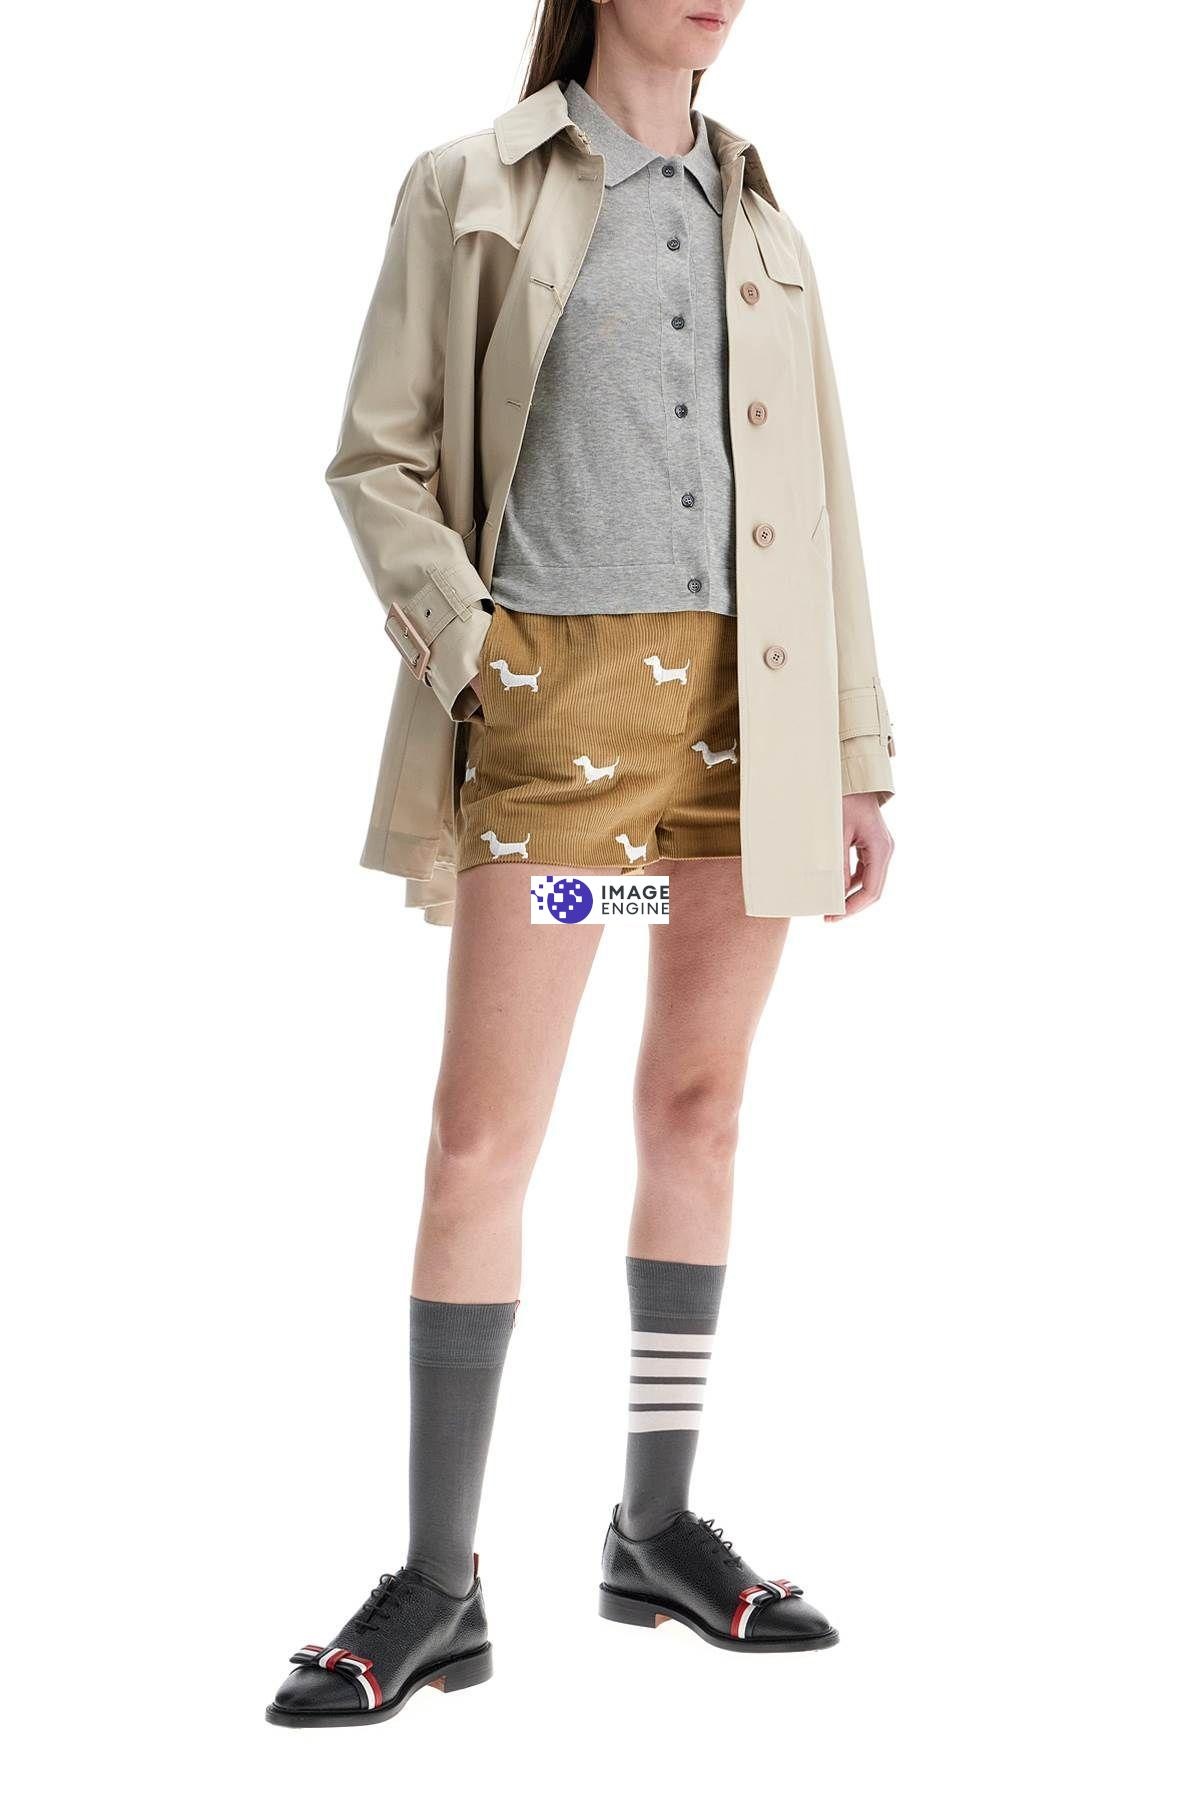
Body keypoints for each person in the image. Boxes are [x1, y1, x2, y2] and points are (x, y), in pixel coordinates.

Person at [266, 0, 896, 1728]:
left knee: (698, 1109)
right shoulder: (473, 185)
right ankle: (438, 1582)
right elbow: (377, 455)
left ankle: (656, 1529)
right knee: (486, 1139)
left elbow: (826, 507)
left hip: (750, 728)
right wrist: (483, 659)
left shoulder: (765, 219)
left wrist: (853, 756)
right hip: (561, 737)